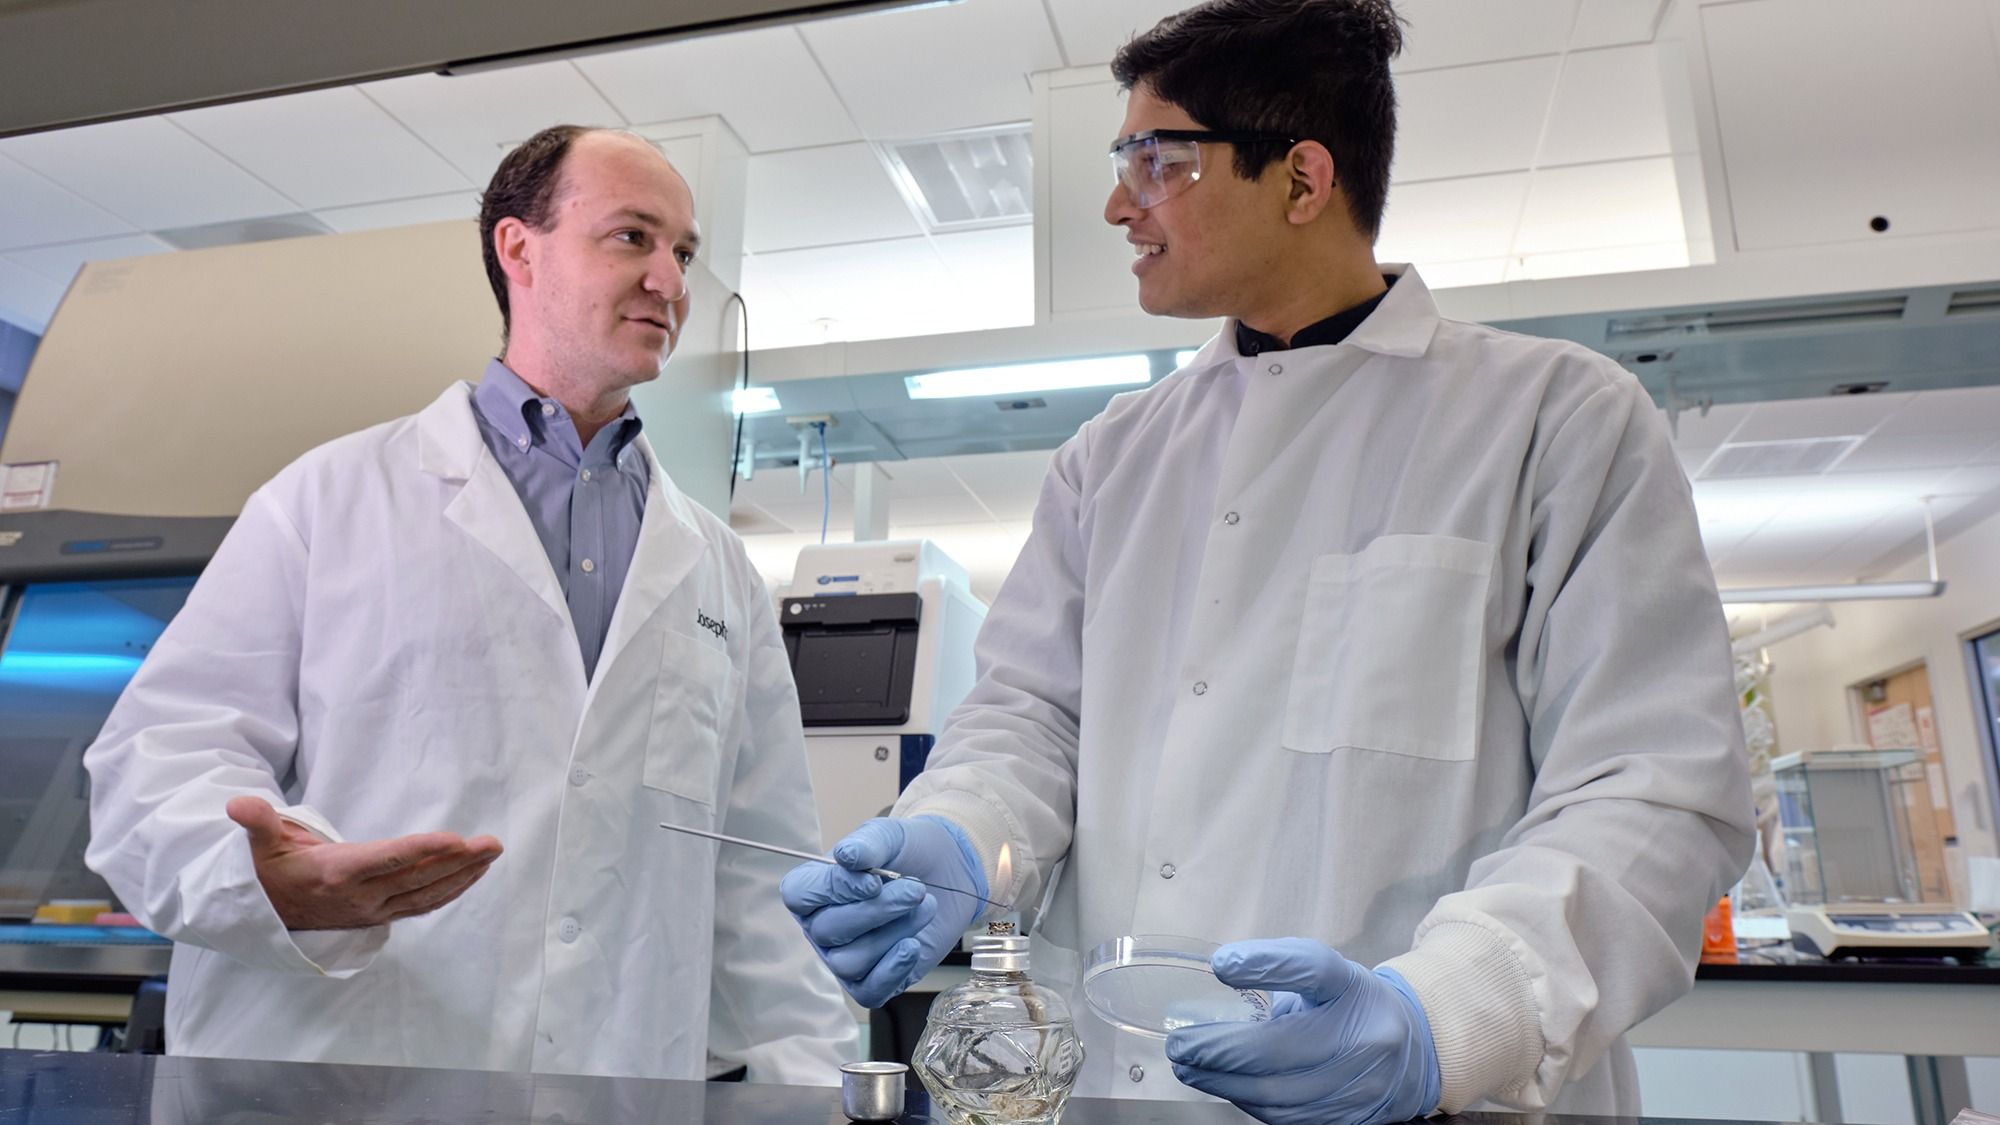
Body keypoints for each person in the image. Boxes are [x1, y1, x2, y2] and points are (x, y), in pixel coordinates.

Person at [780, 2, 1754, 1121]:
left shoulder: (1553, 420)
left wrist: (1444, 1020)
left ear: (1300, 181)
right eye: (1121, 161)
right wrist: (957, 831)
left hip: (1431, 1098)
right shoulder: (1109, 458)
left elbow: (1651, 789)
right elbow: (1029, 720)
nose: (1116, 203)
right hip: (1120, 1088)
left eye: (1157, 161)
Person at [85, 125, 857, 1082]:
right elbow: (153, 766)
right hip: (340, 1078)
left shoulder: (719, 568)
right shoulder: (325, 502)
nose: (671, 280)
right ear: (517, 247)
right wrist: (268, 883)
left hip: (617, 1085)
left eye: (683, 251)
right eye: (633, 238)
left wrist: (807, 1087)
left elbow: (757, 869)